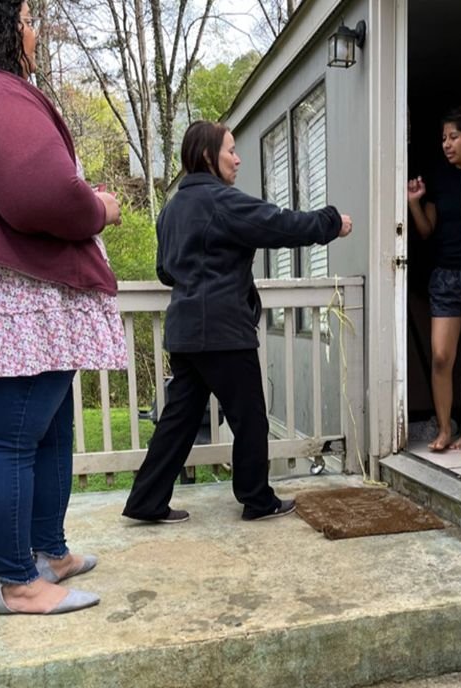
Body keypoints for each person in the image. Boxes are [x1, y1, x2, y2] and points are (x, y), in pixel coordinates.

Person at [0, 0, 125, 614]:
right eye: (27, 17)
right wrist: (99, 208)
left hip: (22, 300)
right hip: (3, 302)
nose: (34, 31)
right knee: (11, 438)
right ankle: (18, 583)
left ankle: (48, 552)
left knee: (46, 430)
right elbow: (42, 193)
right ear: (2, 23)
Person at [122, 120, 352, 524]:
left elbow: (165, 271)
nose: (238, 158)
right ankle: (257, 499)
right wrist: (331, 222)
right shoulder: (221, 201)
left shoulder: (172, 209)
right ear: (208, 155)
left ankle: (146, 499)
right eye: (231, 150)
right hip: (224, 331)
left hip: (185, 332)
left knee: (178, 420)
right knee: (249, 417)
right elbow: (280, 224)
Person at [407, 106, 461, 452]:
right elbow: (426, 230)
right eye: (443, 138)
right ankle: (445, 429)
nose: (446, 144)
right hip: (445, 277)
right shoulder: (439, 178)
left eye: (453, 136)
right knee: (442, 356)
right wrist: (415, 203)